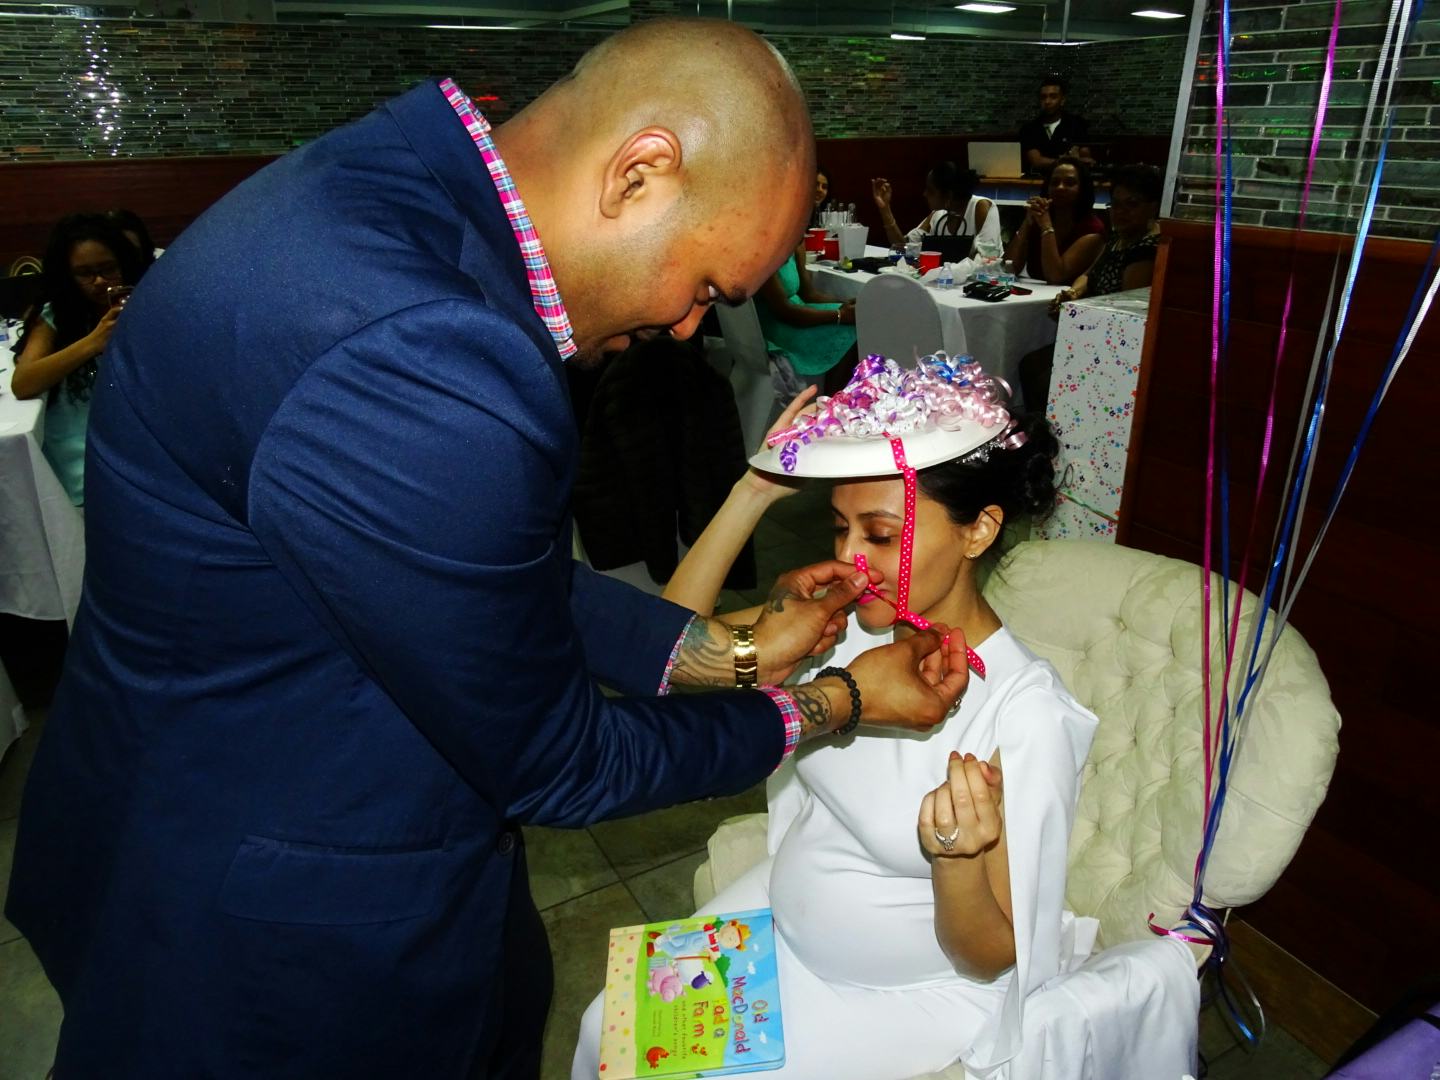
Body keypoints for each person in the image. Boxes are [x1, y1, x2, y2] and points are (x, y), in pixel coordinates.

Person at [4, 21, 973, 1079]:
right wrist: (831, 706)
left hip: (173, 796)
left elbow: (448, 569)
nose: (691, 329)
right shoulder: (433, 348)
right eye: (705, 288)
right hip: (279, 928)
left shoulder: (375, 182)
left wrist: (720, 652)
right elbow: (559, 763)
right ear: (640, 173)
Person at [572, 355, 1100, 1079]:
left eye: (880, 535)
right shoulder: (839, 623)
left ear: (979, 532)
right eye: (839, 528)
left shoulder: (1023, 715)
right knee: (608, 1030)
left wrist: (954, 857)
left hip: (902, 996)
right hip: (783, 923)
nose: (851, 558)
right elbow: (663, 647)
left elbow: (991, 956)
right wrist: (753, 491)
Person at [9, 212, 147, 507]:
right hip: (81, 458)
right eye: (84, 273)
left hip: (136, 446)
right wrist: (94, 341)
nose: (99, 281)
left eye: (108, 268)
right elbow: (23, 382)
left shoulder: (146, 303)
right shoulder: (56, 315)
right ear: (67, 275)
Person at [1020, 163, 1162, 410]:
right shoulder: (1118, 238)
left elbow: (1127, 312)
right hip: (1091, 332)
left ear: (1153, 206)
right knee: (1030, 363)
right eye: (1116, 204)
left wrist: (1078, 312)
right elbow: (1088, 274)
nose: (1121, 211)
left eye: (1132, 204)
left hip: (1116, 347)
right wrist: (1073, 293)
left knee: (1041, 376)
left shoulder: (1146, 250)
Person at [755, 231, 858, 395]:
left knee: (858, 320)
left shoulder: (797, 243)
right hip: (778, 325)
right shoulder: (764, 252)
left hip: (799, 310)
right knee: (851, 331)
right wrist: (838, 315)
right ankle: (833, 399)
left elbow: (809, 294)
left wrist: (844, 305)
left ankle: (841, 395)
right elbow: (783, 311)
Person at [1003, 155, 1106, 285]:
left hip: (1070, 301)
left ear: (1082, 189)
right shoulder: (1040, 219)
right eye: (1055, 182)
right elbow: (1008, 269)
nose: (1060, 187)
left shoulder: (1092, 230)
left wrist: (1046, 226)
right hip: (1033, 298)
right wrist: (1027, 223)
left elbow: (1055, 276)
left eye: (1069, 183)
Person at [871, 162, 1000, 257]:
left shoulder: (981, 207)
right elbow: (904, 247)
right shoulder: (938, 215)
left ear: (948, 195)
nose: (925, 194)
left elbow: (986, 257)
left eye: (930, 190)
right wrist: (885, 209)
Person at [1019, 75, 1092, 176]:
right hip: (1039, 181)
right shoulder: (1029, 129)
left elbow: (1086, 157)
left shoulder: (1076, 124)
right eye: (1043, 97)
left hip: (1069, 179)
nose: (1047, 101)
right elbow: (1036, 161)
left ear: (1062, 100)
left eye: (1053, 96)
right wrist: (1068, 161)